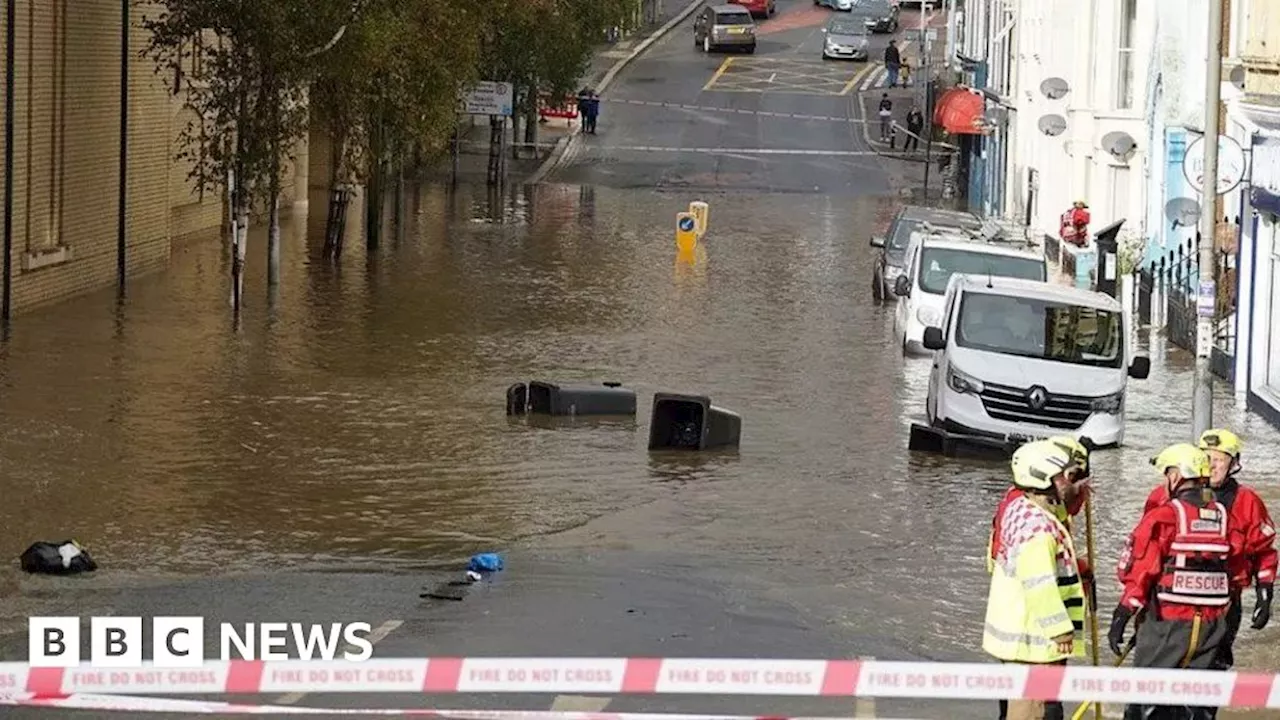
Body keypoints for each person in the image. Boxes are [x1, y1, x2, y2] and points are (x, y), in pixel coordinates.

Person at [1137, 429, 1276, 676]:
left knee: (1211, 674)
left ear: (1233, 463)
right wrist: (1134, 601)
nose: (1211, 466)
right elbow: (1146, 549)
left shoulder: (1247, 501)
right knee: (1155, 672)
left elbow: (1263, 550)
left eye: (1219, 459)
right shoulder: (1163, 497)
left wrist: (1264, 595)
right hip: (1168, 602)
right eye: (1206, 457)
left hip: (1223, 603)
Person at [1111, 444, 1230, 720]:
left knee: (1147, 698)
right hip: (1210, 627)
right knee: (1195, 702)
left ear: (1175, 477)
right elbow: (1234, 570)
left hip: (1168, 624)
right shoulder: (1222, 516)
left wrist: (1123, 614)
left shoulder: (1164, 516)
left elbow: (1141, 568)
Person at [985, 440, 1086, 720]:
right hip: (1032, 638)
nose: (1070, 480)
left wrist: (1074, 494)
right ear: (1045, 478)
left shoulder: (1020, 508)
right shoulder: (1038, 533)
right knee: (1030, 708)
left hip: (1019, 632)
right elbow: (1040, 584)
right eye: (1066, 476)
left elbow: (1055, 514)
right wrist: (1059, 629)